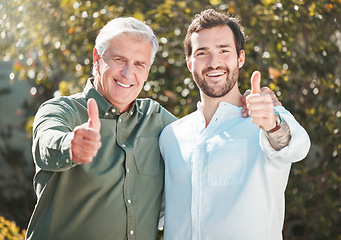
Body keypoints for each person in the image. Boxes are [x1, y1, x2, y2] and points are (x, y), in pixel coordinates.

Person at [159, 9, 311, 240]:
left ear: (240, 58)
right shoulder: (171, 136)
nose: (214, 62)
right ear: (189, 62)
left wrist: (272, 124)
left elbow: (297, 147)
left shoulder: (265, 116)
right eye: (202, 53)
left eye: (223, 51)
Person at [25, 17, 177, 240]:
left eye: (139, 64)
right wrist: (71, 145)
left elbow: (205, 139)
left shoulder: (156, 118)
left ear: (147, 71)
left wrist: (242, 110)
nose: (128, 72)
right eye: (119, 59)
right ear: (97, 58)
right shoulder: (62, 110)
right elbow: (45, 143)